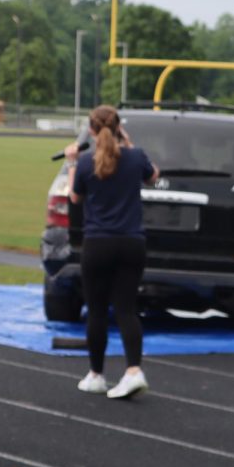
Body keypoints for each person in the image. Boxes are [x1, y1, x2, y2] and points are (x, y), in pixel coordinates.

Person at [63, 105, 159, 399]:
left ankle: (96, 374)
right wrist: (129, 144)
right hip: (131, 242)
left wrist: (71, 164)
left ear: (91, 131)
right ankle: (133, 370)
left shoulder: (88, 162)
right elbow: (153, 176)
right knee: (127, 309)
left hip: (98, 244)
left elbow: (75, 198)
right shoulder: (135, 157)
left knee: (96, 311)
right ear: (119, 129)